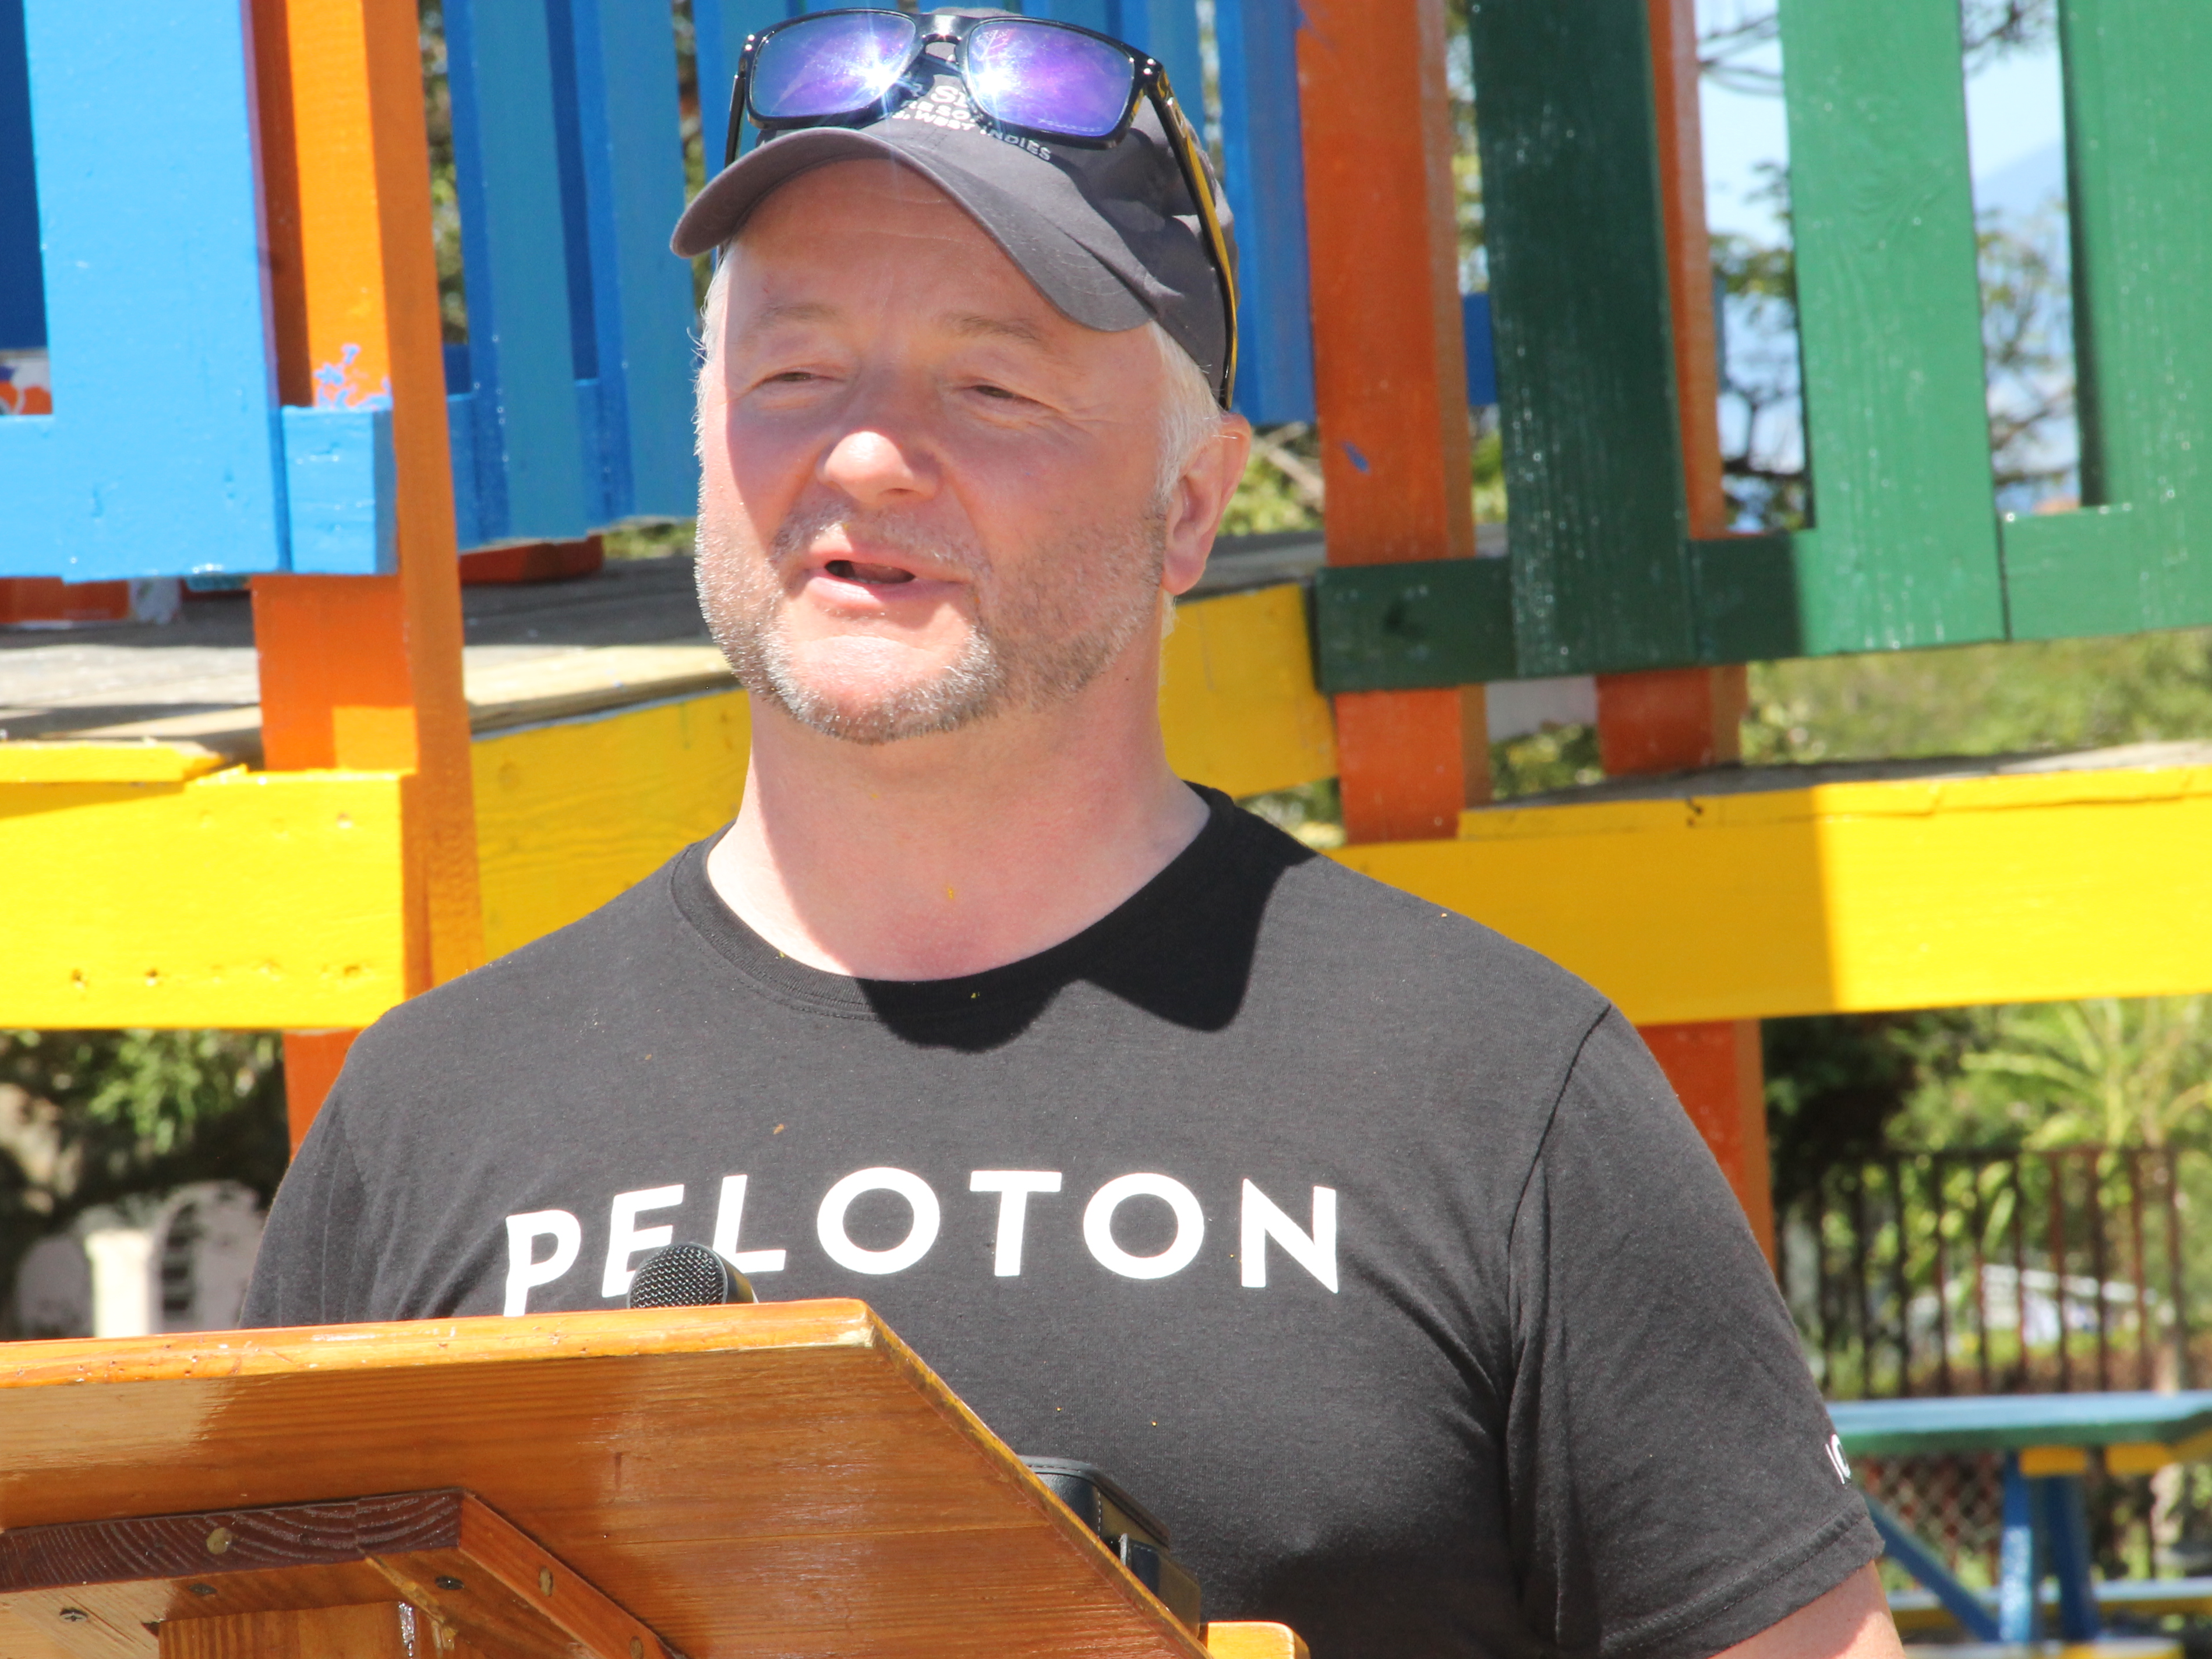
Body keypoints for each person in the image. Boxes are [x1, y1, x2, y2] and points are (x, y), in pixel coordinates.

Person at [244, 13, 1899, 1659]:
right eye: (794, 373)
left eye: (993, 385)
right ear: (705, 449)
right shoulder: (432, 1115)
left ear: (1190, 510)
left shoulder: (1498, 1093)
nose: (870, 453)